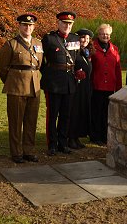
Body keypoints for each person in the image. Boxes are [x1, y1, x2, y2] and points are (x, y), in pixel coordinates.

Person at [0, 14, 43, 163]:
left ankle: (29, 150)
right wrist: (11, 81)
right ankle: (16, 152)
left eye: (30, 25)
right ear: (19, 26)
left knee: (31, 121)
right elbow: (2, 68)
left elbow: (40, 65)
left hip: (34, 87)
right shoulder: (11, 44)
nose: (27, 28)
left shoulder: (38, 43)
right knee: (16, 122)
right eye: (24, 25)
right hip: (16, 87)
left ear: (34, 27)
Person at [40, 11, 82, 156]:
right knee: (53, 115)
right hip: (54, 82)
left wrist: (79, 70)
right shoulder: (49, 38)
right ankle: (52, 144)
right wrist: (48, 75)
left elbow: (76, 59)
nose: (67, 26)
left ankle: (62, 143)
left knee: (66, 115)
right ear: (58, 23)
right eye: (64, 23)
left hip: (69, 81)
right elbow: (41, 61)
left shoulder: (75, 38)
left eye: (69, 24)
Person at [90, 23, 123, 146]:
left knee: (106, 113)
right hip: (96, 86)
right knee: (96, 112)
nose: (105, 36)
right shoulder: (92, 47)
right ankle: (95, 136)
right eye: (103, 33)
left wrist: (119, 87)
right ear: (98, 34)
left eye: (107, 34)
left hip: (110, 86)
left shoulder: (114, 49)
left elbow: (117, 69)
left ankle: (105, 136)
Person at [68, 28, 94, 149]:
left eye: (88, 38)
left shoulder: (86, 52)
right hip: (75, 86)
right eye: (83, 37)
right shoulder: (74, 51)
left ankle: (77, 137)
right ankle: (71, 138)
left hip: (85, 86)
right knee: (74, 112)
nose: (85, 40)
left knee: (81, 112)